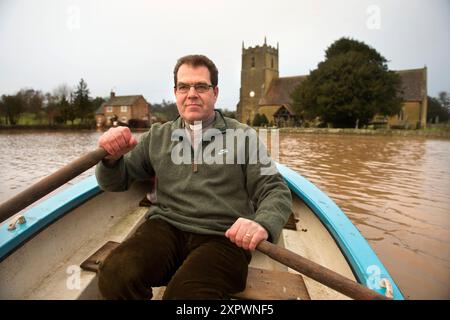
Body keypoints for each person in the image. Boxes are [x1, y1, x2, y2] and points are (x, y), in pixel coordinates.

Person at [95, 54, 292, 300]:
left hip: (224, 237)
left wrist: (262, 223)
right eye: (183, 87)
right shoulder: (158, 136)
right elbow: (114, 182)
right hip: (165, 228)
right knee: (114, 274)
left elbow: (275, 189)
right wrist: (111, 158)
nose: (192, 93)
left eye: (201, 86)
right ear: (175, 92)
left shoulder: (244, 137)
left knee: (186, 296)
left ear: (215, 92)